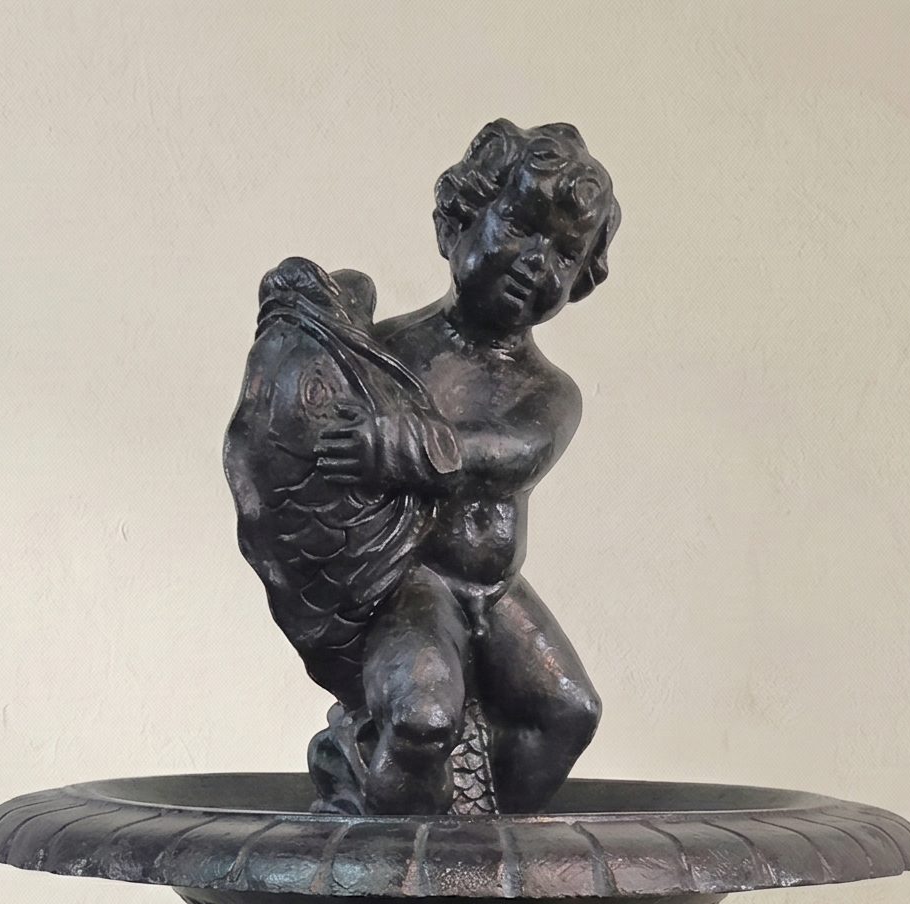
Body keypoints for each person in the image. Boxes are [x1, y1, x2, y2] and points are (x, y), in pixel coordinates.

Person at [227, 121, 619, 815]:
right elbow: (309, 445)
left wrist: (400, 446)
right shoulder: (380, 357)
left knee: (568, 713)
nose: (537, 262)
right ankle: (383, 821)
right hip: (409, 580)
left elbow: (513, 453)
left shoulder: (548, 391)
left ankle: (474, 832)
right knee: (422, 715)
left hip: (494, 588)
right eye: (521, 227)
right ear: (457, 222)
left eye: (565, 253)